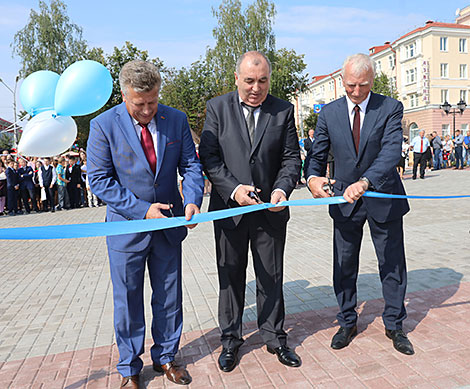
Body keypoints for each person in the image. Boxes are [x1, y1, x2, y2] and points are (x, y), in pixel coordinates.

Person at [87, 60, 204, 388]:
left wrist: (193, 199)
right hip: (126, 229)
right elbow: (99, 180)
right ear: (125, 96)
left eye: (153, 101)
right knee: (127, 300)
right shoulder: (103, 126)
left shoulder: (176, 119)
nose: (148, 110)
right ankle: (129, 367)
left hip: (168, 227)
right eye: (140, 104)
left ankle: (166, 357)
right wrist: (141, 210)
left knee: (169, 296)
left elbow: (191, 166)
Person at [199, 51, 302, 372]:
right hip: (229, 211)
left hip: (270, 211)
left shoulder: (283, 110)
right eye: (249, 81)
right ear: (236, 79)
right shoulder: (217, 108)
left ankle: (274, 336)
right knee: (230, 277)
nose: (256, 88)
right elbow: (210, 158)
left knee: (271, 276)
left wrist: (282, 188)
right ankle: (230, 340)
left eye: (263, 81)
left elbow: (290, 159)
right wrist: (233, 189)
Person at [306, 53, 413, 356]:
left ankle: (394, 324)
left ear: (372, 81)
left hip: (383, 197)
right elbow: (318, 153)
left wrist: (365, 181)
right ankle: (347, 321)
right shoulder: (329, 113)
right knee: (344, 265)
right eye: (350, 85)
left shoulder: (390, 107)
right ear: (342, 81)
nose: (355, 91)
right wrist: (313, 177)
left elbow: (391, 152)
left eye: (362, 86)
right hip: (344, 202)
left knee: (391, 265)